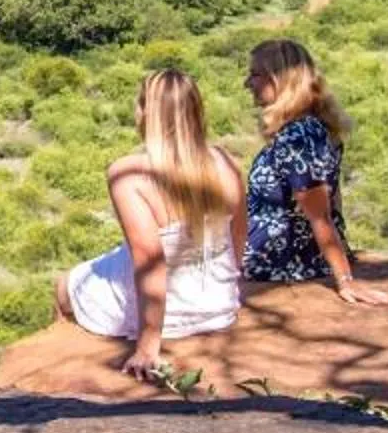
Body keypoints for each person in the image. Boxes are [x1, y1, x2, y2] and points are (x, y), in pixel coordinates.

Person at [52, 69, 247, 381]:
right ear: (197, 112)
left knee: (65, 286)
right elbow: (238, 234)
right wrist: (226, 285)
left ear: (147, 114)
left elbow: (149, 260)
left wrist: (148, 345)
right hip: (220, 304)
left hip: (170, 315)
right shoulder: (224, 161)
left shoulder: (129, 175)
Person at [241, 38, 388, 305]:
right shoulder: (312, 127)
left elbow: (320, 215)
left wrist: (345, 280)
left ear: (280, 80)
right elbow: (333, 202)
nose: (247, 84)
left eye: (255, 75)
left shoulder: (298, 136)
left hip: (280, 262)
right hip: (295, 258)